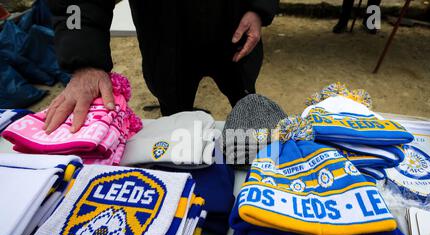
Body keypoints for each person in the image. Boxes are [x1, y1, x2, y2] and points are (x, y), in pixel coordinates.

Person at [44, 1, 279, 134]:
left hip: (236, 36)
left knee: (248, 107)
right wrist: (85, 61)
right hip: (167, 42)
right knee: (175, 123)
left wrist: (259, 7)